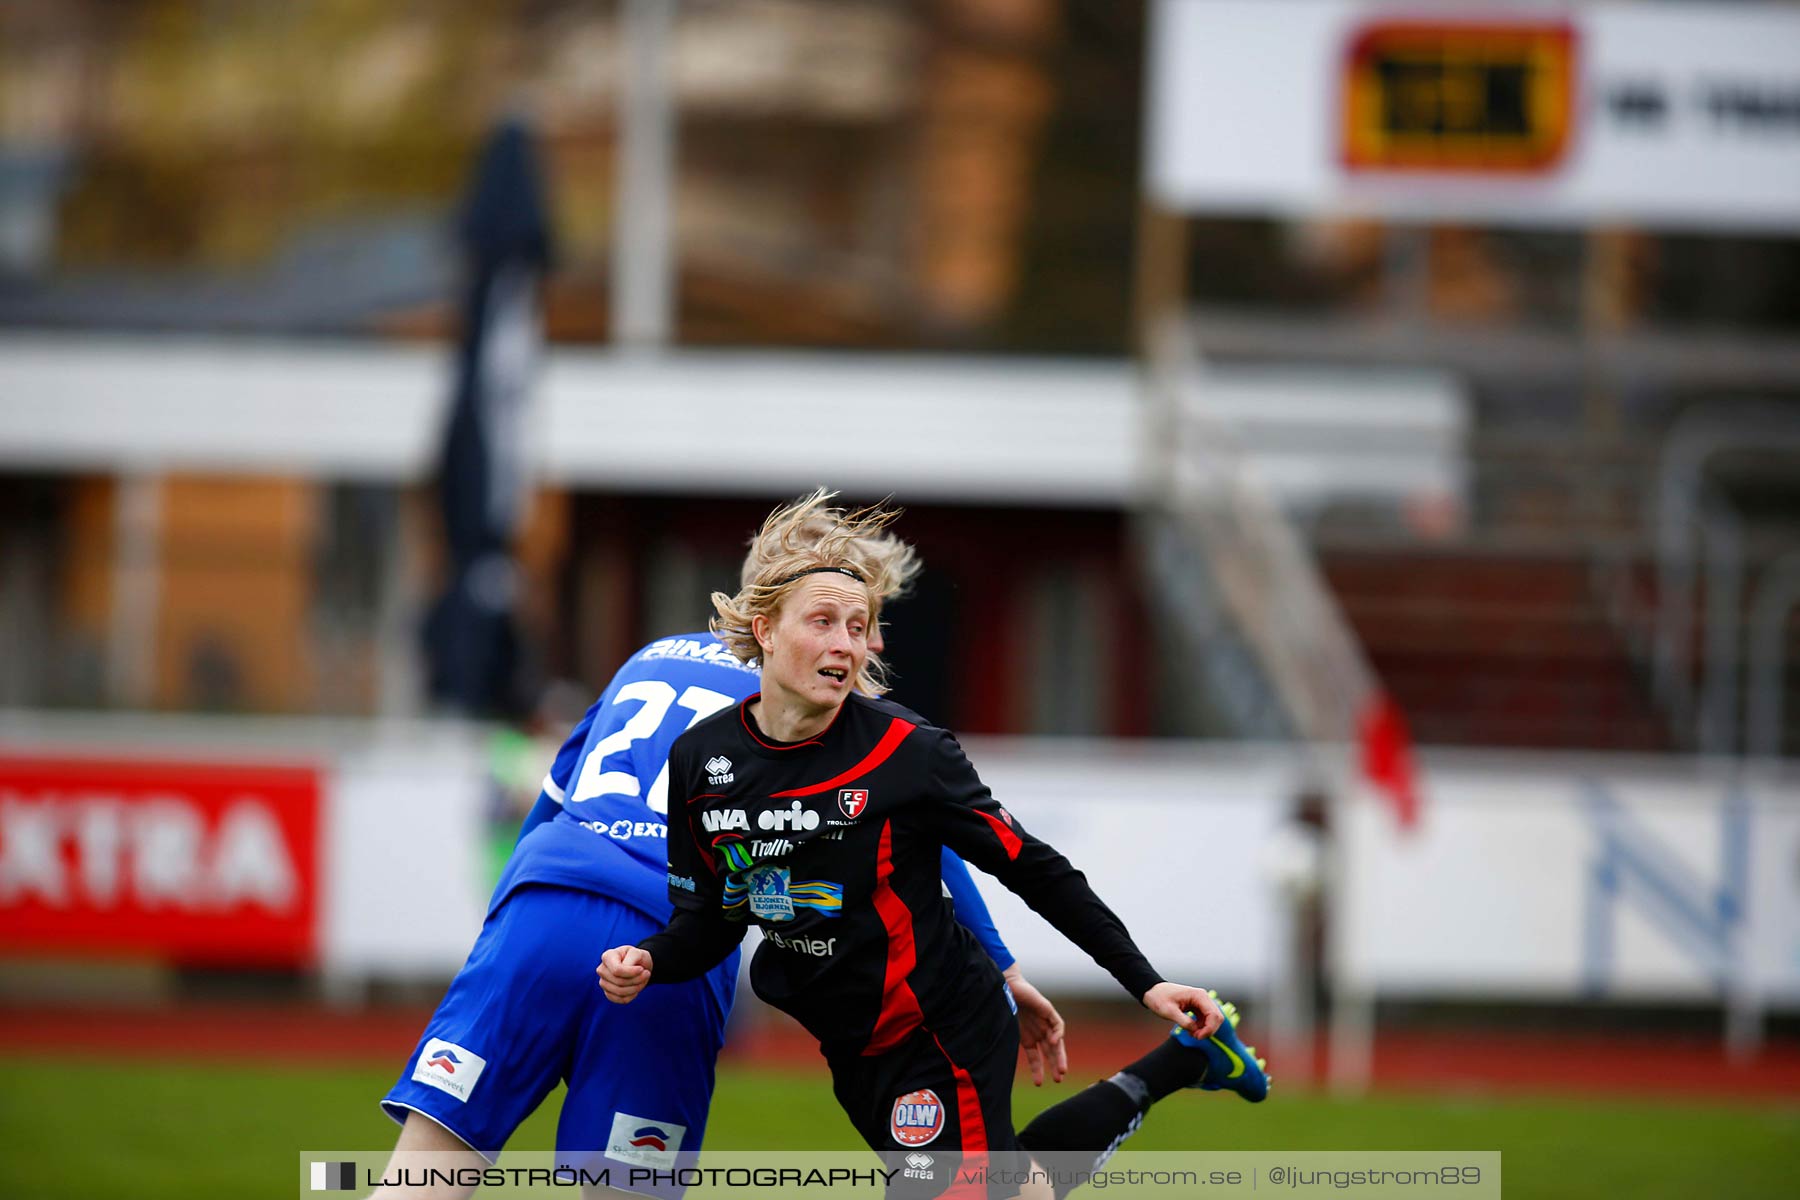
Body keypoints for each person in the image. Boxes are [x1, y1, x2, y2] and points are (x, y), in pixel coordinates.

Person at [373, 492, 1066, 1200]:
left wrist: (507, 933)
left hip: (544, 905)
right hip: (669, 942)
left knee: (429, 1165)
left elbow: (550, 804)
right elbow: (939, 849)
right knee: (621, 1186)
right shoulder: (825, 716)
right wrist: (1004, 969)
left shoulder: (648, 659)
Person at [600, 497, 1268, 1200]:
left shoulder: (906, 751)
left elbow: (1032, 867)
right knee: (1017, 1188)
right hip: (853, 1046)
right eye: (823, 623)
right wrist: (652, 958)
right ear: (765, 630)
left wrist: (1144, 981)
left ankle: (1179, 1060)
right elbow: (709, 920)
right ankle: (1181, 1064)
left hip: (943, 1027)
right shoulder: (702, 758)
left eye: (858, 628)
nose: (845, 645)